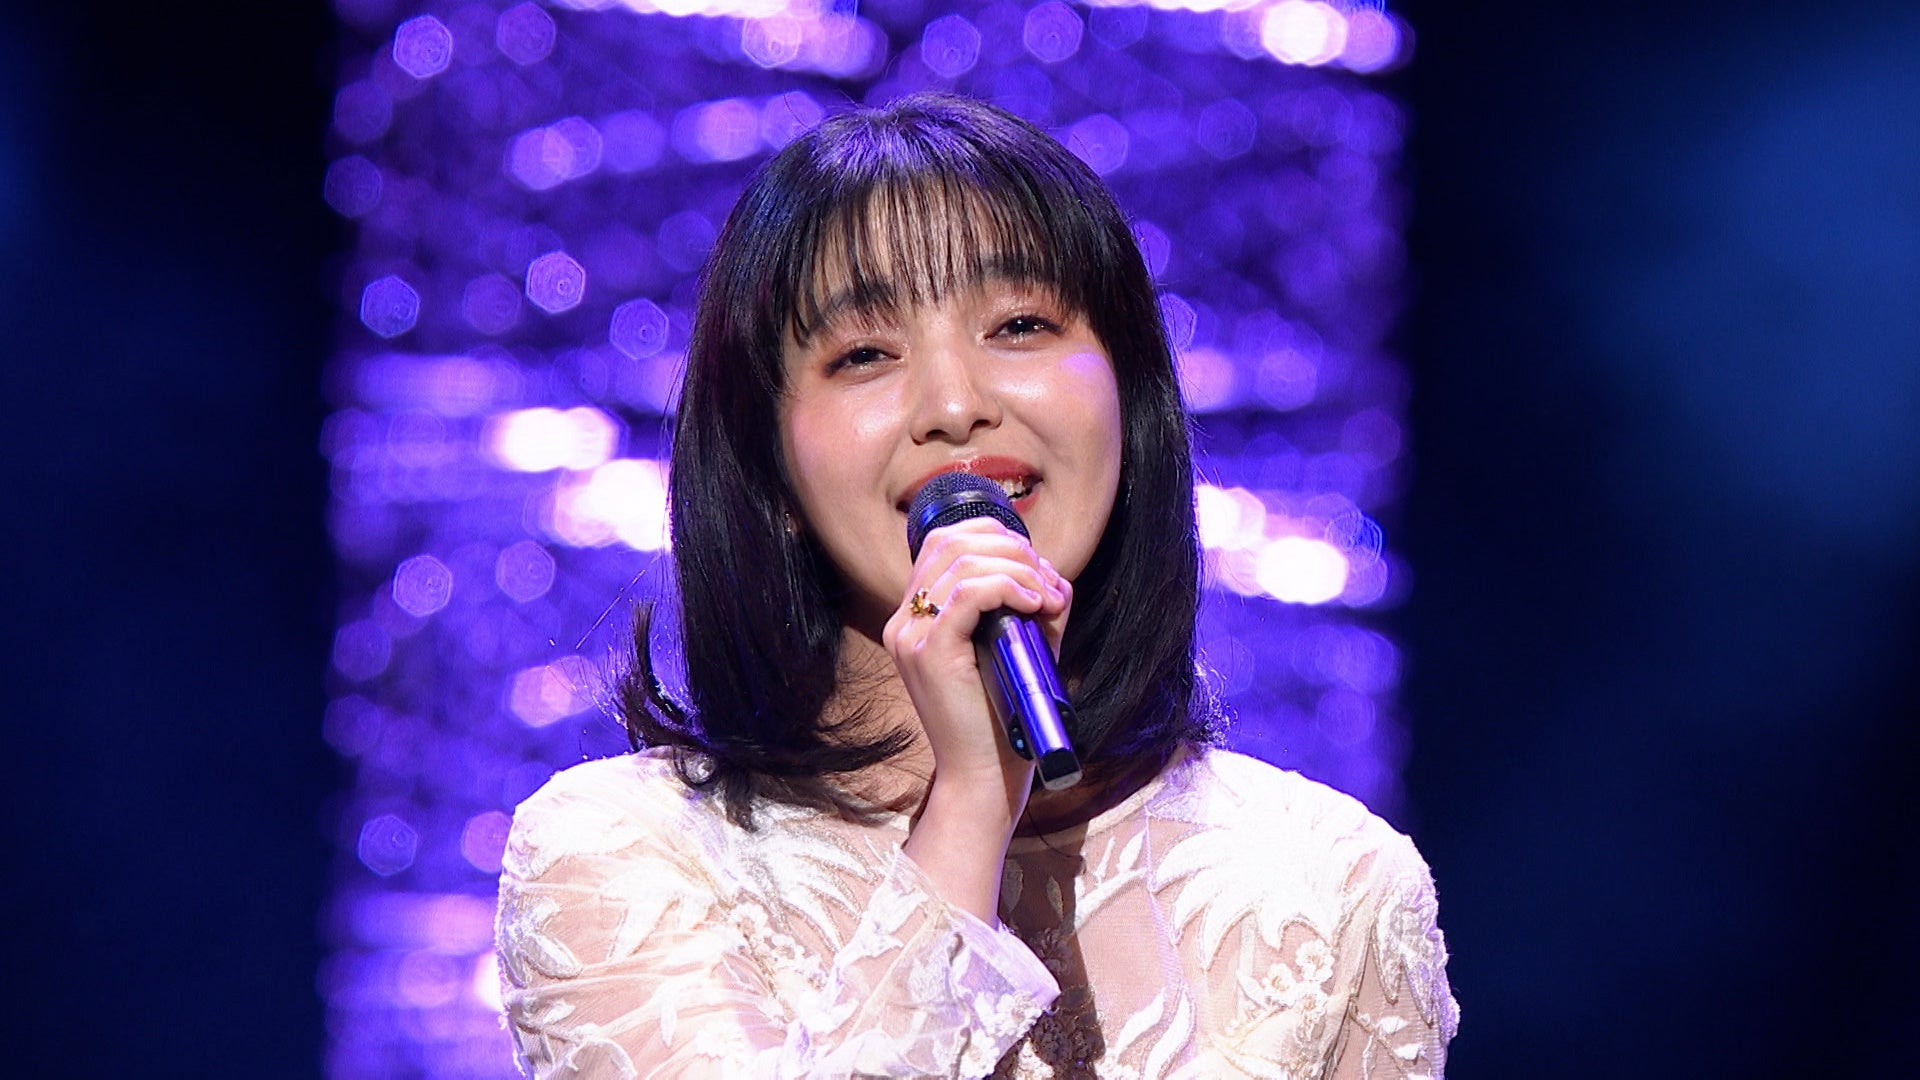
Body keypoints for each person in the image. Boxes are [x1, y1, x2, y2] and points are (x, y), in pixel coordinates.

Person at [494, 92, 1457, 1078]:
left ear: (1130, 400)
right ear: (768, 469)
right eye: (864, 354)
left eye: (1020, 324)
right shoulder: (619, 860)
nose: (954, 406)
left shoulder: (1332, 889)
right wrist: (970, 802)